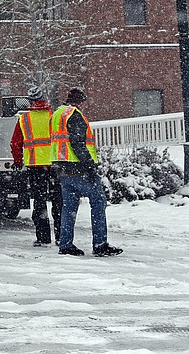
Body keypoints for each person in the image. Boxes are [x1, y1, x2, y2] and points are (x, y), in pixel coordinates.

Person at [51, 87, 123, 257]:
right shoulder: (75, 115)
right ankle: (100, 244)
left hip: (62, 169)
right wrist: (90, 166)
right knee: (98, 203)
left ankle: (66, 244)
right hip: (79, 169)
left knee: (68, 208)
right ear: (80, 102)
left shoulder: (57, 114)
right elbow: (78, 144)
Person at [10, 86, 62, 247]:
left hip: (35, 166)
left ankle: (43, 237)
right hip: (54, 165)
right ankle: (61, 235)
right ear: (43, 99)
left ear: (30, 101)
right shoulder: (52, 117)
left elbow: (15, 143)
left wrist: (18, 161)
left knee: (39, 201)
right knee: (58, 201)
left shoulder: (24, 119)